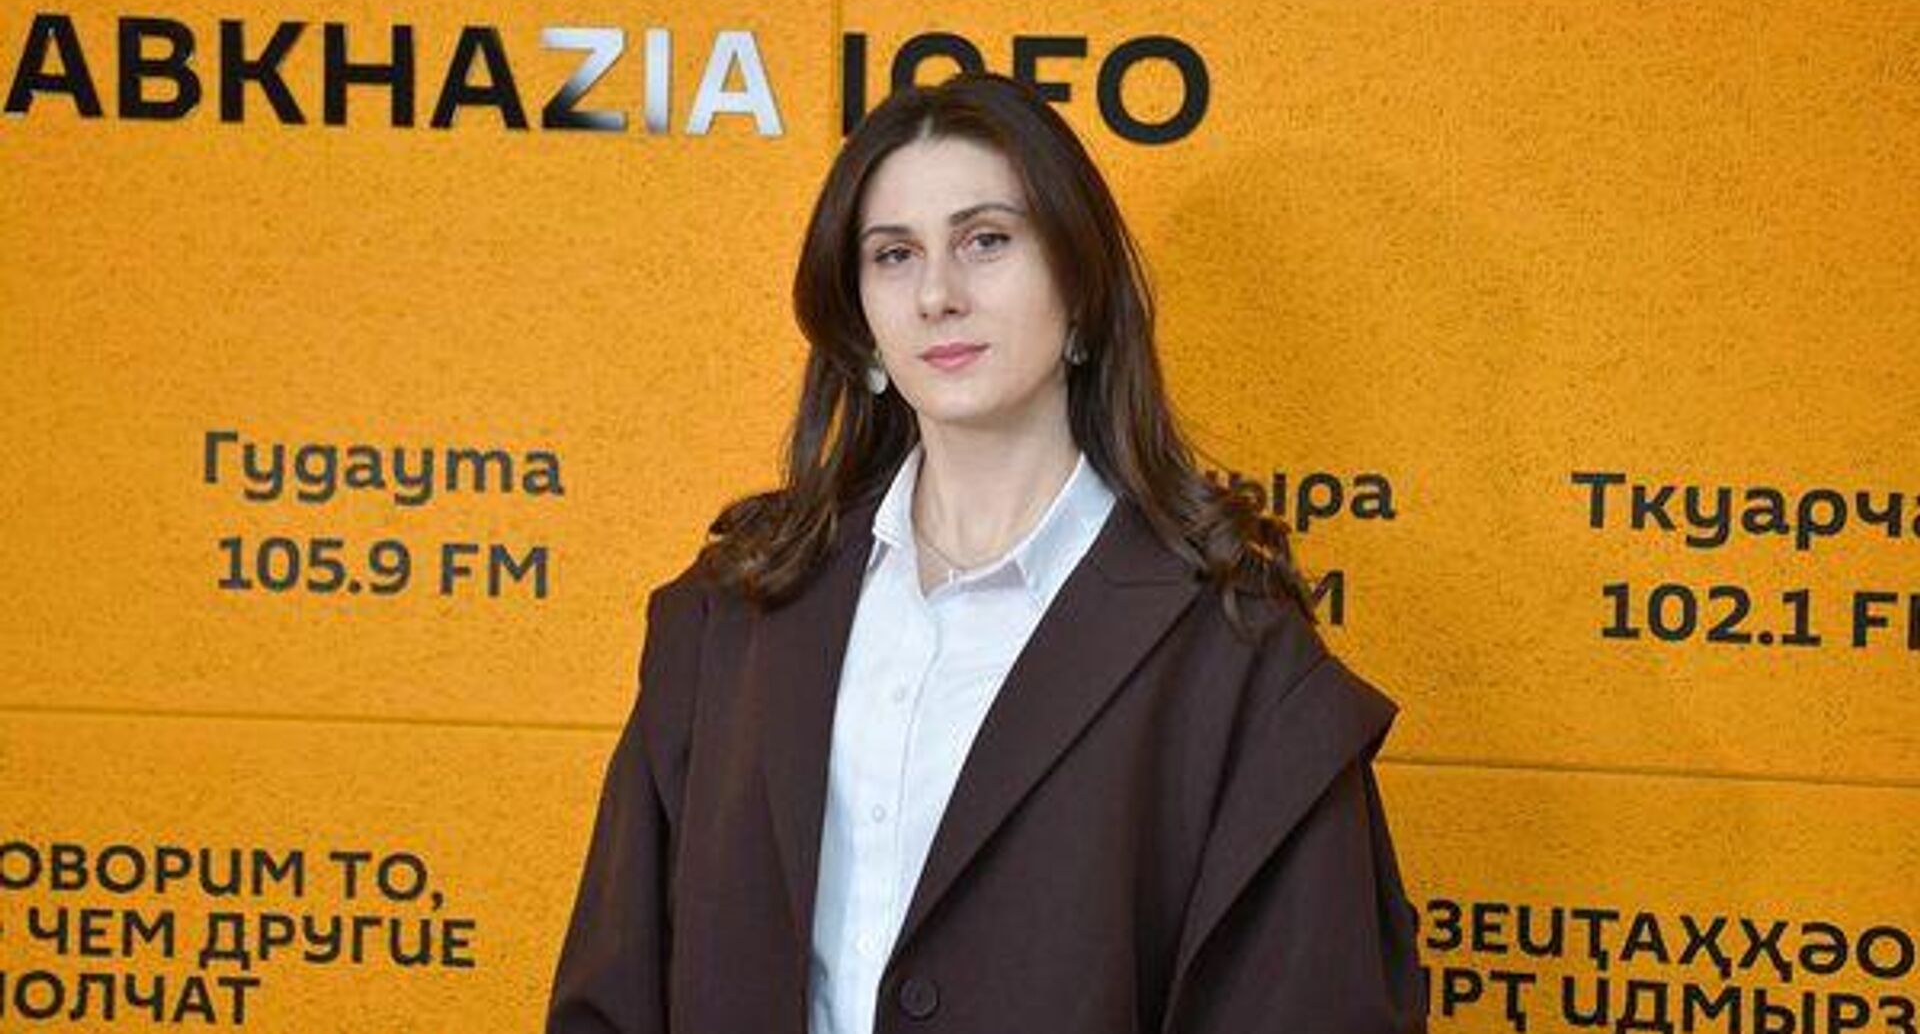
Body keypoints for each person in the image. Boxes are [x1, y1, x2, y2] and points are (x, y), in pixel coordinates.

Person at [546, 70, 1427, 1034]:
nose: (937, 294)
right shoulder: (731, 613)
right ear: (860, 319)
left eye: (987, 240)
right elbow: (611, 995)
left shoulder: (1234, 650)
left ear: (1080, 287)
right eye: (894, 255)